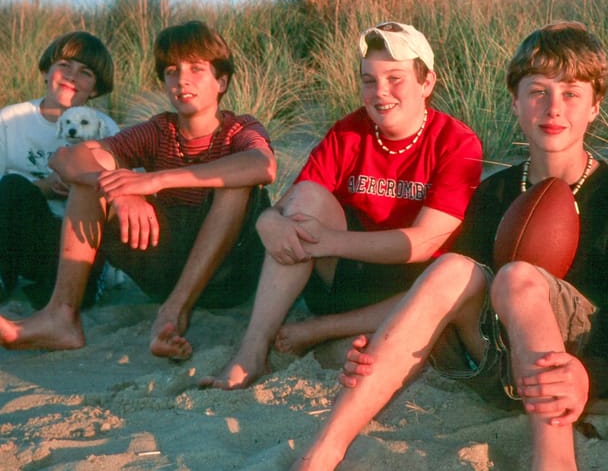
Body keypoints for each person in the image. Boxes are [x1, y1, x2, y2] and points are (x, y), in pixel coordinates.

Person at [262, 21, 608, 471]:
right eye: (537, 92)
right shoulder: (494, 193)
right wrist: (378, 342)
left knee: (516, 277)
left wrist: (590, 375)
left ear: (595, 105)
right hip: (495, 370)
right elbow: (436, 297)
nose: (553, 108)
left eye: (571, 93)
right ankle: (321, 453)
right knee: (451, 266)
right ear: (515, 103)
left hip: (575, 378)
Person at [201, 21, 483, 389]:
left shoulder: (456, 142)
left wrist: (328, 241)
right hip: (345, 280)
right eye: (369, 80)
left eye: (395, 78)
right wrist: (267, 221)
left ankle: (322, 333)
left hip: (409, 290)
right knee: (308, 199)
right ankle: (252, 351)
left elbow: (424, 242)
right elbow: (291, 204)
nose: (380, 93)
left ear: (427, 82)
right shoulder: (349, 131)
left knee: (421, 301)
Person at [0, 20, 276, 359]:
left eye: (196, 69)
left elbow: (262, 165)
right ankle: (61, 317)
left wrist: (155, 180)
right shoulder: (158, 129)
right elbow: (68, 157)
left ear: (221, 81)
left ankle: (173, 313)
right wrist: (121, 192)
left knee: (236, 185)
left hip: (229, 275)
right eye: (171, 71)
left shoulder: (240, 128)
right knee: (91, 180)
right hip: (164, 270)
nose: (182, 80)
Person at [0, 31, 119, 309]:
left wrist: (83, 187)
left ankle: (67, 289)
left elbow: (121, 204)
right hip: (27, 238)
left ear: (95, 88)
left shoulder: (105, 129)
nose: (71, 76)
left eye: (85, 72)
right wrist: (42, 189)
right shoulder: (11, 120)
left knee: (66, 302)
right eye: (64, 65)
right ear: (47, 71)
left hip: (78, 243)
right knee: (7, 184)